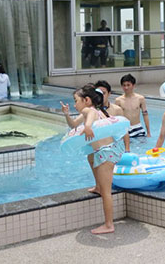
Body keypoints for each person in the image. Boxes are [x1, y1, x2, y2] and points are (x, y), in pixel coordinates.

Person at [61, 84, 124, 234]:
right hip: (106, 150)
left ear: (86, 100)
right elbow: (73, 125)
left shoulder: (89, 111)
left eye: (76, 101)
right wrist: (67, 114)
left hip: (106, 152)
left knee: (106, 192)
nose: (75, 104)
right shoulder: (93, 111)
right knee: (90, 155)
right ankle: (97, 186)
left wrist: (88, 127)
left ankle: (109, 225)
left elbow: (89, 119)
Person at [115, 74, 150, 151]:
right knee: (128, 149)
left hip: (138, 127)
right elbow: (115, 119)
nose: (126, 87)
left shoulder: (140, 99)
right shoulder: (118, 100)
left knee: (142, 149)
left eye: (128, 85)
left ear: (133, 85)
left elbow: (145, 115)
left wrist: (148, 132)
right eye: (124, 85)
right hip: (125, 129)